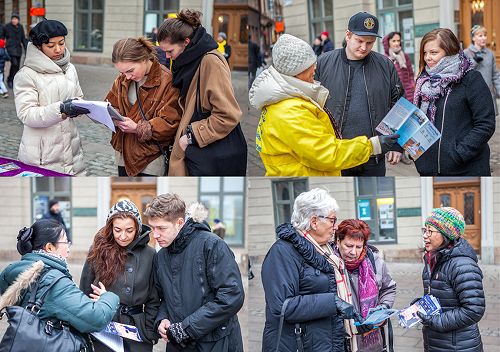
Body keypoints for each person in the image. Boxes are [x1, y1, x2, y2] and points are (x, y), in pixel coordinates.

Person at [249, 34, 400, 176]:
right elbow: (328, 154)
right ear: (295, 72)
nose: (315, 68)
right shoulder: (290, 111)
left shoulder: (286, 100)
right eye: (310, 65)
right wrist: (373, 145)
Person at [261, 188, 363, 351]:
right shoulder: (282, 251)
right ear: (314, 221)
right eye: (332, 220)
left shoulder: (326, 249)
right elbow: (282, 307)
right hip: (301, 344)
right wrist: (333, 302)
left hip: (327, 341)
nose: (335, 227)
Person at [145, 194, 244, 351]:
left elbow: (231, 296)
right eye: (153, 228)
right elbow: (163, 298)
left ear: (179, 223)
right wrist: (162, 319)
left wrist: (187, 328)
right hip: (178, 344)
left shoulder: (212, 245)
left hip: (215, 343)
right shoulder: (161, 256)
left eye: (161, 228)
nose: (155, 235)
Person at [157, 9, 247, 176]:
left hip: (201, 151)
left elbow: (228, 115)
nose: (168, 57)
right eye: (164, 53)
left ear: (186, 41)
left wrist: (190, 137)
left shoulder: (211, 62)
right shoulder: (187, 60)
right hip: (193, 151)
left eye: (170, 51)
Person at [315, 12, 404, 176]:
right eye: (359, 41)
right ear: (348, 35)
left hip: (374, 157)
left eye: (369, 43)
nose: (364, 47)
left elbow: (398, 106)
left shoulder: (385, 65)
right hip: (336, 155)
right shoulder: (323, 63)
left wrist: (397, 145)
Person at [0, 219, 120, 340]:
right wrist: (109, 297)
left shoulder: (17, 271)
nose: (68, 246)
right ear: (50, 247)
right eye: (65, 241)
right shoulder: (54, 282)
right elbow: (95, 319)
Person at [80, 200, 160, 352]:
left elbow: (154, 299)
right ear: (111, 228)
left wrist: (149, 331)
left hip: (137, 331)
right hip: (103, 328)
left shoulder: (150, 254)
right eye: (117, 230)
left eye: (129, 230)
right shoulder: (97, 250)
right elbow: (84, 292)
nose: (123, 236)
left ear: (137, 227)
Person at [413, 28, 495, 176]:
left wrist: (459, 154)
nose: (427, 58)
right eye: (425, 53)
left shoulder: (471, 79)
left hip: (465, 169)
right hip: (428, 169)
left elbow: (485, 124)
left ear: (449, 51)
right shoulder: (423, 82)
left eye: (433, 52)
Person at [14, 19, 89, 175]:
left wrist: (81, 107)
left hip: (71, 146)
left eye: (61, 43)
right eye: (51, 45)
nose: (58, 49)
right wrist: (60, 109)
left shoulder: (70, 69)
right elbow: (26, 114)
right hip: (42, 153)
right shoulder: (26, 75)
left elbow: (78, 96)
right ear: (39, 47)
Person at [105, 37, 182, 176]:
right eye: (122, 72)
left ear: (144, 59)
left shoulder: (167, 81)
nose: (127, 77)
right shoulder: (122, 79)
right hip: (122, 152)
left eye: (130, 70)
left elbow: (171, 123)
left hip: (150, 157)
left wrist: (137, 128)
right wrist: (112, 117)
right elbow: (111, 104)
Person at [413, 207, 485, 351]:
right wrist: (421, 305)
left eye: (430, 231)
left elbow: (474, 310)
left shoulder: (462, 265)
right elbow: (442, 297)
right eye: (424, 230)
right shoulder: (433, 259)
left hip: (459, 346)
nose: (425, 236)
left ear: (447, 235)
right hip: (437, 342)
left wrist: (436, 321)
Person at [334, 219, 397, 352]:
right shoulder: (329, 265)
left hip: (373, 343)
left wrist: (383, 307)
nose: (353, 252)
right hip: (342, 341)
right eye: (348, 245)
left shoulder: (376, 262)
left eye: (358, 247)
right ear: (338, 242)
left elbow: (389, 288)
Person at [464, 25, 500, 116]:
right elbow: (463, 72)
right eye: (480, 36)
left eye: (485, 35)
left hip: (489, 94)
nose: (484, 38)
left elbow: (495, 75)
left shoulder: (490, 53)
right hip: (473, 95)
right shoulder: (466, 53)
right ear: (473, 38)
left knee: (490, 123)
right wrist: (475, 61)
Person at [382, 32, 415, 102]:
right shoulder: (384, 59)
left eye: (398, 40)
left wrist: (412, 85)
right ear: (388, 43)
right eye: (393, 41)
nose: (397, 43)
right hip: (394, 96)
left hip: (409, 93)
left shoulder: (405, 56)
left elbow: (411, 74)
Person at [3, 13, 27, 89]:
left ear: (18, 20)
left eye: (15, 19)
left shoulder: (20, 27)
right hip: (10, 48)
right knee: (14, 63)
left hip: (18, 49)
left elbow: (23, 38)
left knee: (17, 67)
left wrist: (26, 48)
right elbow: (2, 36)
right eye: (13, 19)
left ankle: (12, 80)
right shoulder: (7, 26)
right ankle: (10, 80)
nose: (14, 20)